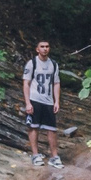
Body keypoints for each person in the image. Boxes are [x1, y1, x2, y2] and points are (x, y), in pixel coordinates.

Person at [22, 40, 62, 168]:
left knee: (52, 129)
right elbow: (26, 83)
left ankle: (54, 157)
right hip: (35, 99)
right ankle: (35, 155)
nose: (45, 49)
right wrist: (28, 103)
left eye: (47, 47)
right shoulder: (32, 63)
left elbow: (56, 83)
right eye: (42, 47)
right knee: (33, 127)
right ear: (37, 49)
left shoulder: (54, 65)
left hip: (48, 101)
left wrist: (57, 101)